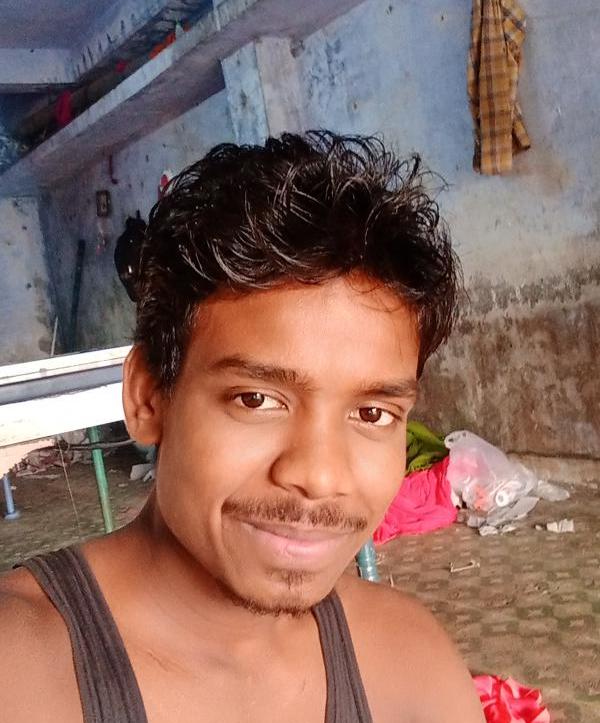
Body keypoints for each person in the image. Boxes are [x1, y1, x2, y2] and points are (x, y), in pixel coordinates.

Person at [0, 132, 485, 722]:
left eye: (371, 414)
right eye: (256, 399)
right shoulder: (20, 677)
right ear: (149, 397)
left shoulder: (409, 668)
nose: (320, 476)